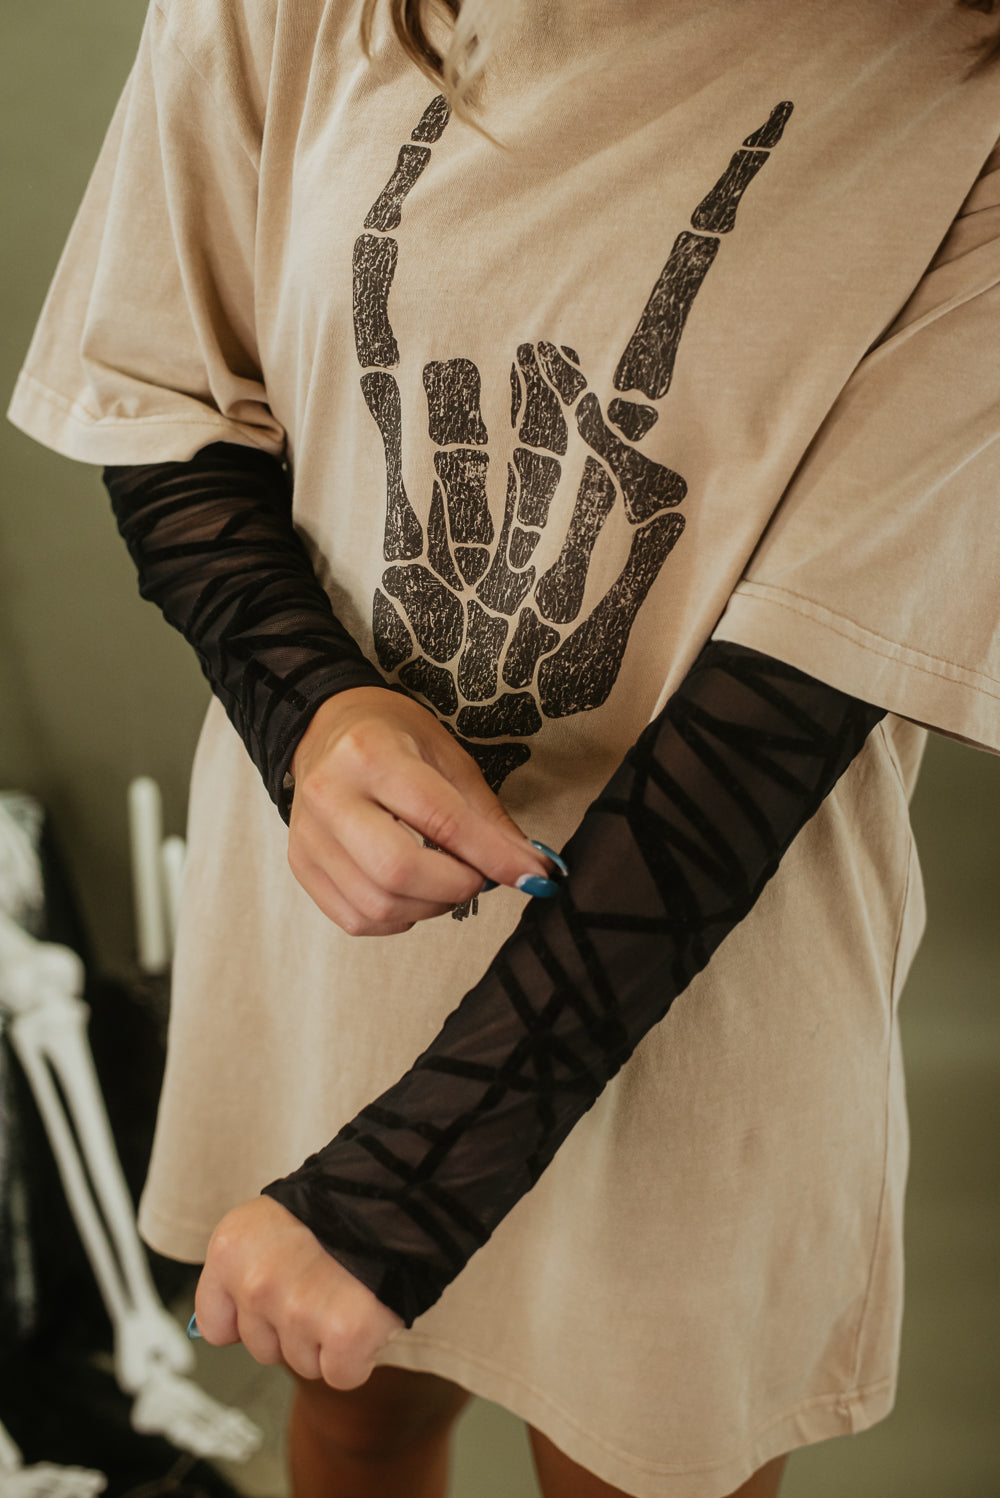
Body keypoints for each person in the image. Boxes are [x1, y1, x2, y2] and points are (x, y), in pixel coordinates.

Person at [8, 2, 1000, 1495]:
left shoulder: (960, 96)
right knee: (355, 1414)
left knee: (642, 1458)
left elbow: (780, 717)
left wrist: (403, 1186)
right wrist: (314, 710)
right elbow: (168, 394)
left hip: (691, 990)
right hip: (331, 938)